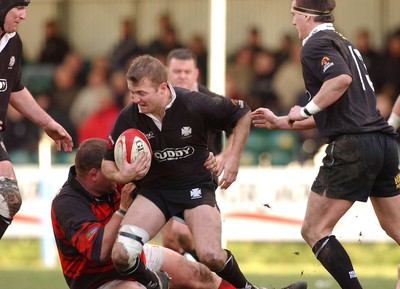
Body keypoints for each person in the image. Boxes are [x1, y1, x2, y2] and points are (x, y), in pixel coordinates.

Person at [101, 55, 307, 289]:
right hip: (154, 192)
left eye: (141, 93)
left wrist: (232, 158)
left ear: (162, 88)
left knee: (211, 255)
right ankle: (155, 283)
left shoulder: (193, 103)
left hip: (195, 188)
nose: (135, 99)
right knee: (121, 254)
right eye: (132, 92)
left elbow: (242, 113)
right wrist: (121, 175)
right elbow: (107, 163)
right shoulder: (130, 115)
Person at [252, 1, 400, 288]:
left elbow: (340, 80)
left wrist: (305, 110)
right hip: (382, 143)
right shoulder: (345, 43)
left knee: (314, 229)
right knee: (396, 228)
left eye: (294, 14)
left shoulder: (314, 44)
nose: (293, 21)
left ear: (308, 16)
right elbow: (335, 110)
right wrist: (282, 121)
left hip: (354, 146)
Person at [51, 138, 237, 289]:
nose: (119, 174)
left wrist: (202, 161)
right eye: (111, 170)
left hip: (136, 256)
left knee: (199, 274)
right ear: (93, 174)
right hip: (98, 280)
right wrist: (122, 210)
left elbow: (165, 173)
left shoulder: (113, 181)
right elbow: (99, 251)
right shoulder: (68, 204)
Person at [0, 0, 74, 239]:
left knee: (8, 200)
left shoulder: (13, 43)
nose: (23, 15)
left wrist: (47, 123)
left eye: (25, 9)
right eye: (19, 8)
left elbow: (15, 89)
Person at [162, 48, 233, 260]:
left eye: (186, 71)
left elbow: (237, 127)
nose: (182, 76)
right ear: (167, 71)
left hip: (199, 177)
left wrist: (224, 157)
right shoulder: (160, 99)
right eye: (177, 71)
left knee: (183, 234)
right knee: (169, 240)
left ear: (196, 73)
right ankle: (194, 275)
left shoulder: (210, 101)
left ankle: (212, 274)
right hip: (164, 176)